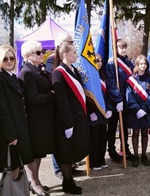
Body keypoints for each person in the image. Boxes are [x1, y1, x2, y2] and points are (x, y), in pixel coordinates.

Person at [0, 45, 35, 191]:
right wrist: (11, 135)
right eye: (5, 59)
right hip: (11, 132)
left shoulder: (12, 77)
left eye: (12, 58)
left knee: (18, 167)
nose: (9, 61)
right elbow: (2, 110)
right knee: (12, 168)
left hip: (19, 127)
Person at [52, 40, 90, 194]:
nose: (77, 55)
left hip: (77, 117)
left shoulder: (72, 69)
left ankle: (69, 181)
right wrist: (68, 124)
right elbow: (62, 100)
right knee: (66, 153)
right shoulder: (58, 73)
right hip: (66, 120)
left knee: (73, 150)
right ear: (65, 54)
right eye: (74, 52)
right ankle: (67, 182)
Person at [18, 40, 56, 195]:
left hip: (43, 118)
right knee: (34, 152)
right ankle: (34, 182)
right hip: (34, 119)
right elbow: (32, 98)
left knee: (39, 151)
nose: (43, 54)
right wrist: (51, 95)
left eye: (42, 51)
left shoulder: (37, 69)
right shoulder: (27, 72)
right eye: (38, 52)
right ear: (28, 56)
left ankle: (35, 180)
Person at [125, 55, 150, 167]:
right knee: (135, 133)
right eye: (141, 64)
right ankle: (135, 156)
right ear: (137, 65)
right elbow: (129, 96)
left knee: (144, 133)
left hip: (146, 110)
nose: (143, 66)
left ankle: (144, 155)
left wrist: (144, 108)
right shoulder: (131, 80)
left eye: (145, 64)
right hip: (135, 111)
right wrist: (136, 109)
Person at [106, 39, 134, 162]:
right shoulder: (112, 64)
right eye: (120, 47)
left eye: (124, 47)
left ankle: (124, 148)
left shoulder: (129, 63)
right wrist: (117, 99)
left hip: (127, 100)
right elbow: (111, 83)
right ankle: (111, 150)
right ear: (115, 48)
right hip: (115, 101)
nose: (123, 49)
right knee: (112, 127)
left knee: (125, 126)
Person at [89, 54, 112, 171]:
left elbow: (107, 94)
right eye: (97, 61)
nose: (99, 63)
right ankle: (94, 161)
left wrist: (109, 109)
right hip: (93, 113)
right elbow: (87, 97)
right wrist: (90, 112)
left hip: (103, 112)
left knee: (103, 138)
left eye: (101, 61)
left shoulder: (103, 75)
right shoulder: (89, 77)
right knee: (95, 138)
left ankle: (101, 159)